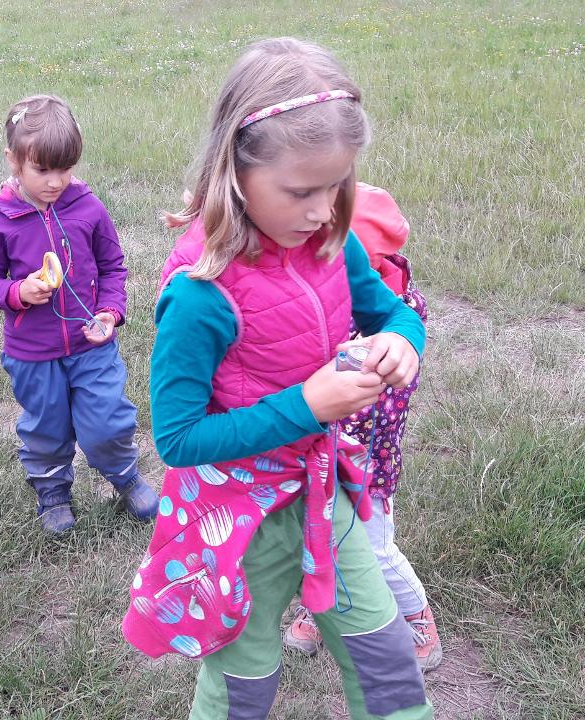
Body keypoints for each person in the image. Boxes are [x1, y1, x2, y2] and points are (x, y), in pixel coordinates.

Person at [121, 39, 433, 719]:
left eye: (338, 186)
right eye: (301, 191)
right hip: (236, 520)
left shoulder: (331, 243)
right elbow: (178, 439)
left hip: (324, 493)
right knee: (244, 678)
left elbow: (392, 312)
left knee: (385, 658)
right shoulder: (200, 293)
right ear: (235, 167)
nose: (323, 210)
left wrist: (401, 342)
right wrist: (308, 405)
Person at [0, 94, 159, 534]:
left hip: (92, 346)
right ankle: (52, 491)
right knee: (46, 428)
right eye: (43, 170)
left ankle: (124, 476)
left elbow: (113, 267)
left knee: (107, 421)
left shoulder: (88, 208)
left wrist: (110, 311)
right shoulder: (0, 220)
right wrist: (17, 292)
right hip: (33, 354)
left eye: (66, 169)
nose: (56, 182)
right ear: (14, 160)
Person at [283, 183, 442, 670]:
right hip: (319, 457)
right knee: (317, 537)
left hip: (364, 468)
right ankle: (320, 608)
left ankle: (419, 620)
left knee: (373, 549)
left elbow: (372, 407)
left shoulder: (387, 324)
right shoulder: (328, 306)